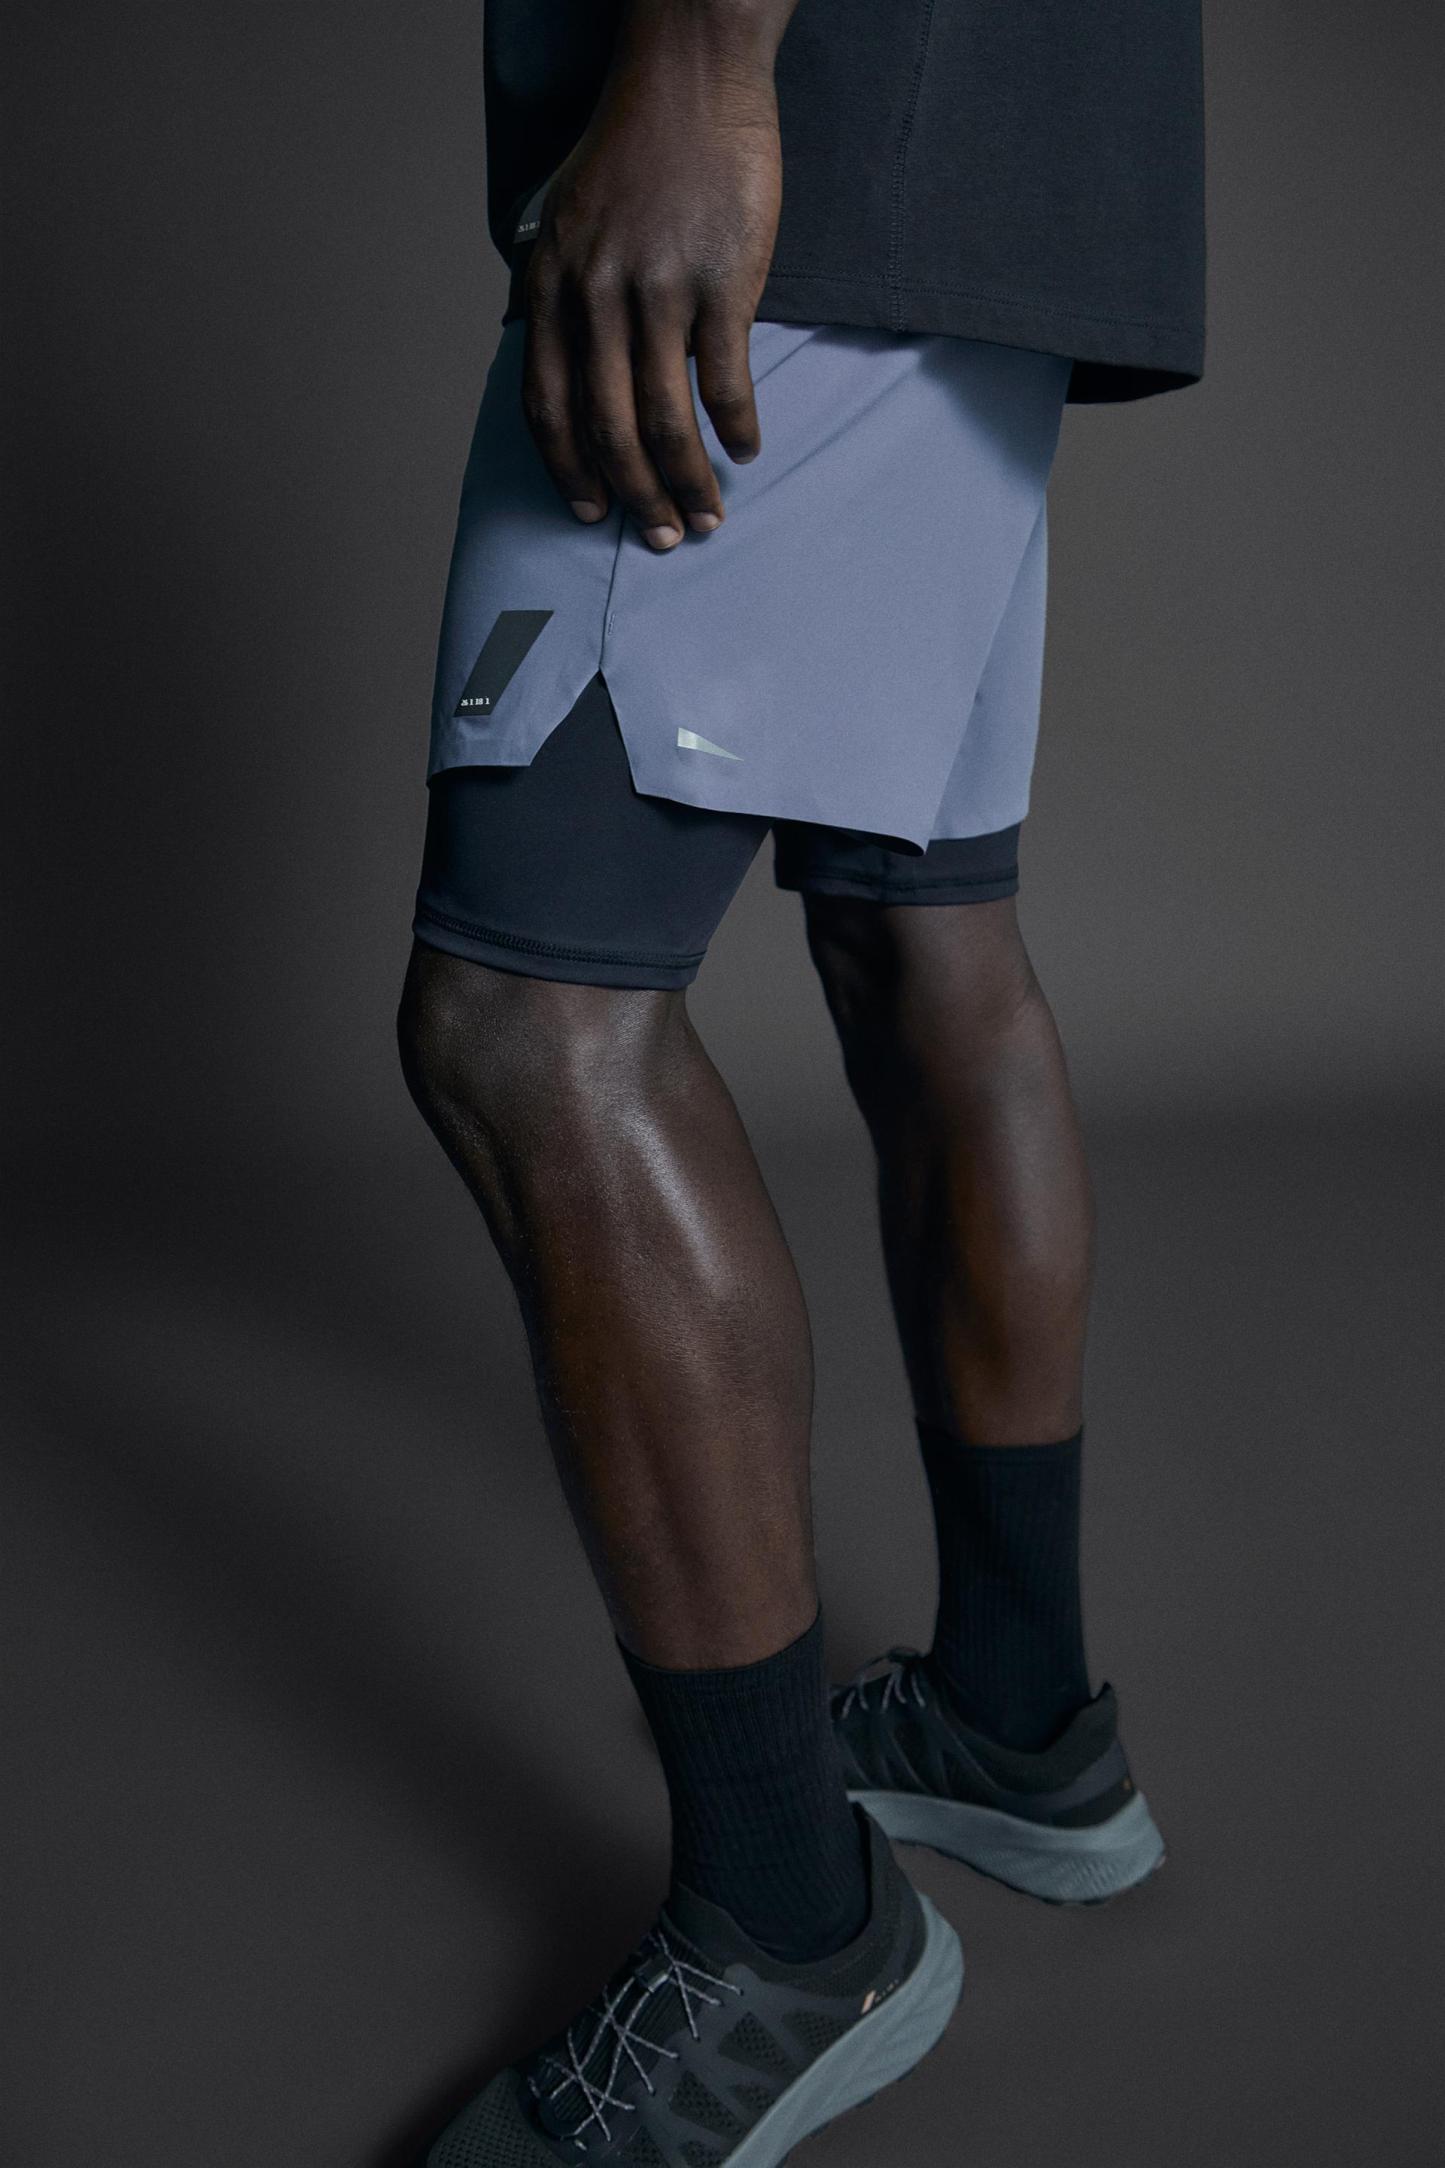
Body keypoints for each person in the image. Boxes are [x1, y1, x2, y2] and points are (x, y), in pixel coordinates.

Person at [397, 2, 1205, 2160]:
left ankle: (790, 1920)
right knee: (922, 935)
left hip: (797, 162)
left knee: (526, 1028)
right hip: (991, 175)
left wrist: (698, 64)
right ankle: (1017, 1719)